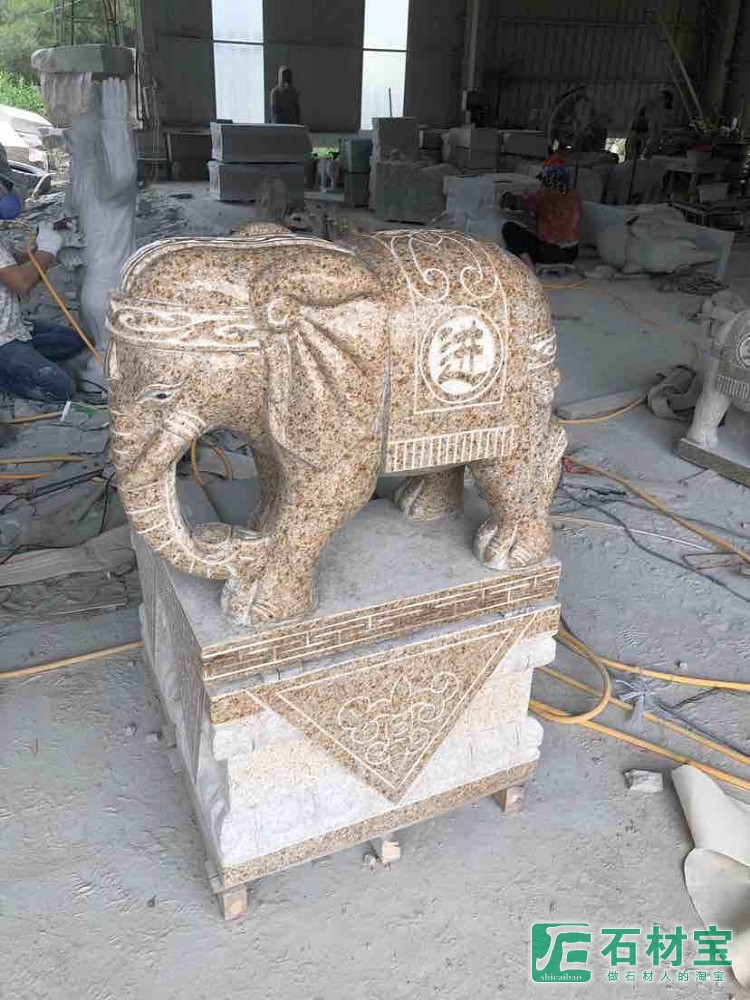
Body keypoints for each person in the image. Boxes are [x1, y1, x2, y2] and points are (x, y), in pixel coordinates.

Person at [0, 171, 85, 402]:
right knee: (62, 388)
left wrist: (49, 238)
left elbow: (19, 260)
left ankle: (22, 360)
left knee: (76, 341)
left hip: (15, 329)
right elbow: (22, 283)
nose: (6, 197)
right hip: (2, 341)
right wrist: (49, 249)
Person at [501, 157, 581, 268]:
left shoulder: (545, 195)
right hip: (572, 253)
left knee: (509, 228)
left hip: (551, 252)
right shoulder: (575, 194)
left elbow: (520, 204)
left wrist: (508, 199)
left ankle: (528, 265)